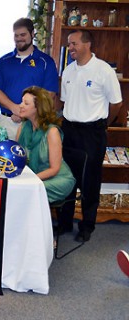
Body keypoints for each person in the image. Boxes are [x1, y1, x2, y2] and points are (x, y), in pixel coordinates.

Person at [59, 29, 122, 242]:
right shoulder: (68, 70)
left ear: (87, 44)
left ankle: (87, 226)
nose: (70, 48)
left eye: (74, 43)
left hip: (92, 133)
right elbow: (65, 101)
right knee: (67, 179)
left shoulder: (103, 70)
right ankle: (65, 223)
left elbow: (117, 103)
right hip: (69, 130)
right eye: (69, 44)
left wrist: (102, 124)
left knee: (89, 182)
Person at [0, 18, 59, 140]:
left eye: (23, 34)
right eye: (16, 35)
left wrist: (25, 113)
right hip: (6, 121)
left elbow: (49, 94)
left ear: (32, 34)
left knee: (31, 158)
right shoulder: (3, 61)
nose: (19, 38)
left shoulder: (46, 62)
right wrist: (14, 108)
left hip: (34, 122)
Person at [16, 86, 75, 203]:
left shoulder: (52, 132)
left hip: (57, 179)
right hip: (34, 177)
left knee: (25, 190)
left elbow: (54, 169)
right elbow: (17, 157)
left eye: (26, 103)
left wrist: (28, 180)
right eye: (22, 101)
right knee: (17, 189)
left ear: (38, 108)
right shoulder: (22, 127)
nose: (20, 105)